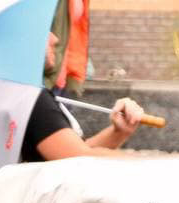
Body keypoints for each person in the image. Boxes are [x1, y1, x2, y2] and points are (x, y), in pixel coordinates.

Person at [21, 31, 147, 162]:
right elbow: (77, 159)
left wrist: (120, 132)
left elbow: (78, 149)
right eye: (46, 29)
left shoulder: (22, 91)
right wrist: (150, 166)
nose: (55, 39)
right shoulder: (31, 96)